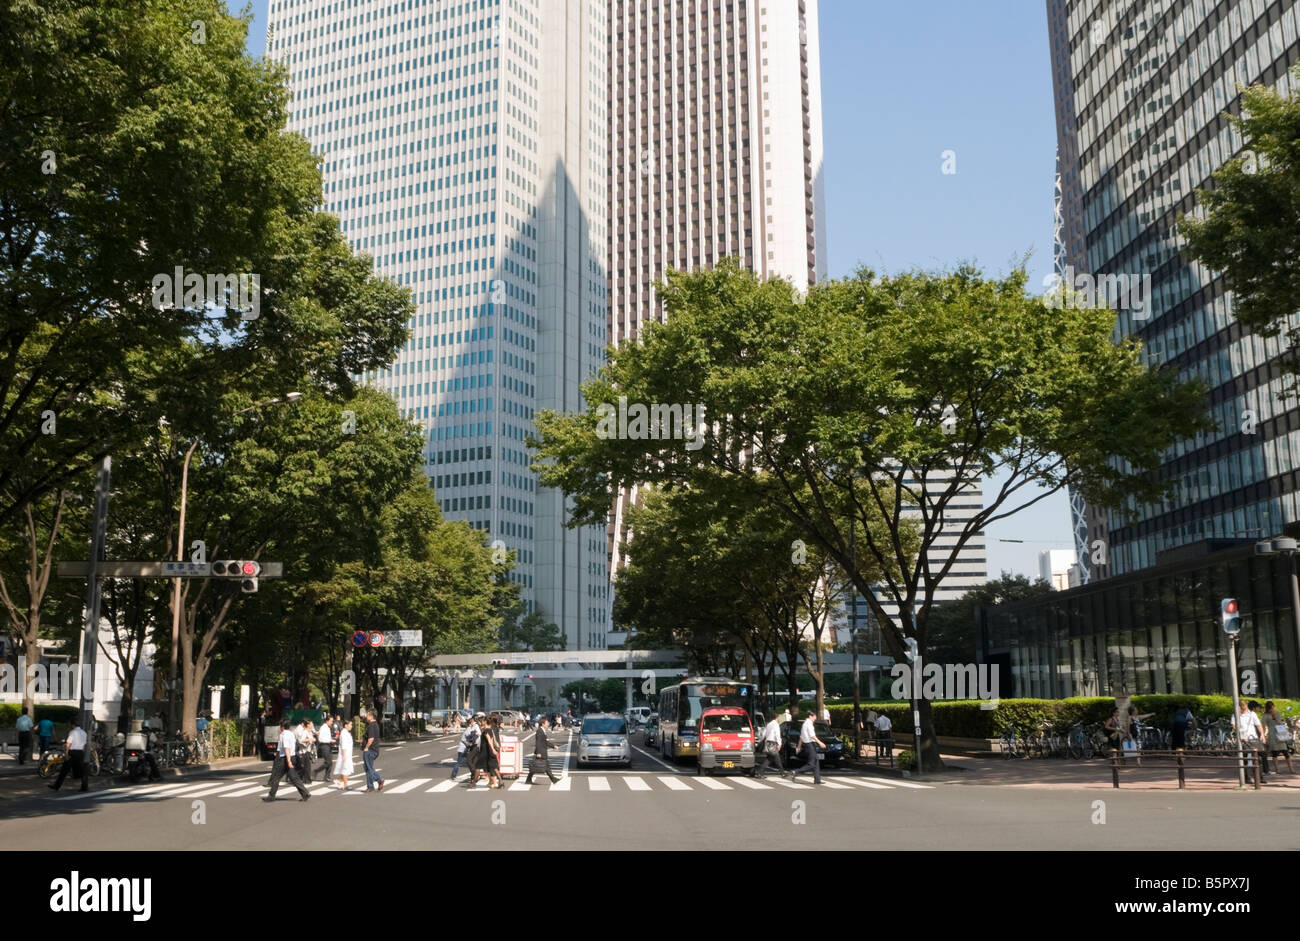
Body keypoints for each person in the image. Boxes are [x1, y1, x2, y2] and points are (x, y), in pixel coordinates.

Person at [265, 719, 311, 801]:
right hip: (292, 756)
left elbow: (287, 748)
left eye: (280, 726)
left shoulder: (284, 735)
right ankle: (305, 793)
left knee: (276, 777)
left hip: (285, 758)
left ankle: (271, 796)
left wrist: (288, 761)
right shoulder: (291, 734)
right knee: (294, 777)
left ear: (282, 727)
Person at [49, 716, 88, 793]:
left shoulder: (72, 732)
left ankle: (57, 786)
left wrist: (66, 753)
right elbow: (84, 745)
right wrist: (82, 752)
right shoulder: (84, 732)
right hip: (80, 752)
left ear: (73, 725)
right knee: (82, 770)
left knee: (64, 770)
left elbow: (68, 743)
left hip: (72, 752)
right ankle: (84, 786)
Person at [789, 711, 824, 785]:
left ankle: (817, 780)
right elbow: (812, 735)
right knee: (811, 763)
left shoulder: (804, 724)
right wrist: (820, 743)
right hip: (810, 744)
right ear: (810, 716)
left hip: (807, 744)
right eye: (814, 716)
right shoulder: (809, 724)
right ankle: (796, 771)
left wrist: (798, 747)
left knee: (816, 761)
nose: (815, 718)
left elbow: (801, 737)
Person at [526, 717, 561, 785]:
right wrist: (538, 752)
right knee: (543, 765)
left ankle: (528, 779)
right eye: (547, 723)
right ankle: (553, 779)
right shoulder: (540, 731)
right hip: (541, 752)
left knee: (538, 765)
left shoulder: (542, 730)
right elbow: (538, 742)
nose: (548, 724)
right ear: (543, 724)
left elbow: (545, 742)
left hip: (542, 751)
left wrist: (553, 746)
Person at [755, 712, 789, 779]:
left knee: (769, 759)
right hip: (773, 743)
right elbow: (777, 734)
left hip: (768, 742)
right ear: (777, 717)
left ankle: (759, 772)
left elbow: (764, 733)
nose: (780, 719)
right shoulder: (776, 725)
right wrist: (779, 743)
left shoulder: (769, 724)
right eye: (779, 717)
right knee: (777, 758)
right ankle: (782, 773)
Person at [1264, 701, 1294, 775]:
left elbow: (1280, 723)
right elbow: (1263, 725)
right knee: (1275, 753)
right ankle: (1277, 769)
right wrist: (1263, 735)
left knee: (1285, 752)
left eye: (1272, 707)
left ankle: (1291, 769)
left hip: (1280, 734)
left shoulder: (1277, 713)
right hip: (1272, 735)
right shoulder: (1265, 716)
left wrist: (1275, 717)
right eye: (1270, 708)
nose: (1271, 709)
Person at [1237, 700, 1266, 777]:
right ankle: (1247, 777)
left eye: (1245, 708)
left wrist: (1262, 735)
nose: (1244, 710)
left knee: (1257, 758)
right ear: (1239, 708)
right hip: (1243, 740)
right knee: (1246, 758)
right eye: (1242, 708)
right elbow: (1234, 726)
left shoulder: (1252, 714)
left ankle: (1259, 777)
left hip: (1253, 738)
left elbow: (1258, 725)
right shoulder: (1236, 715)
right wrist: (1241, 734)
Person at [451, 714, 480, 779]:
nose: (473, 724)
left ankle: (473, 774)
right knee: (461, 762)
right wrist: (472, 742)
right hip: (463, 749)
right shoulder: (468, 729)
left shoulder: (469, 729)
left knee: (469, 761)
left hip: (465, 748)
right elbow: (468, 739)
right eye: (472, 723)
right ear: (470, 723)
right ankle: (453, 775)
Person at [362, 709, 383, 792]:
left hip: (370, 750)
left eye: (367, 715)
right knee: (367, 768)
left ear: (371, 716)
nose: (366, 716)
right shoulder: (375, 725)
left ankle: (379, 780)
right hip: (374, 749)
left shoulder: (371, 725)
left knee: (369, 768)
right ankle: (370, 787)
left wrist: (366, 748)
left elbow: (371, 739)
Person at [465, 712, 488, 787]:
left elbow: (479, 733)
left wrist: (474, 735)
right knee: (474, 762)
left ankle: (474, 774)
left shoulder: (476, 726)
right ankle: (473, 778)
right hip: (477, 746)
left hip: (477, 746)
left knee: (469, 760)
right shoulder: (476, 726)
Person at [333, 716, 354, 790]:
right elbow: (344, 745)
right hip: (345, 754)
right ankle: (346, 785)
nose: (351, 726)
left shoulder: (346, 733)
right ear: (346, 725)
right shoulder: (344, 733)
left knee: (344, 769)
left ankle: (338, 780)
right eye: (350, 725)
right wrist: (344, 755)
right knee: (345, 769)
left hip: (347, 754)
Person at [484, 715, 503, 788]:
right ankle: (493, 779)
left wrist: (492, 748)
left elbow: (491, 739)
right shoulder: (495, 727)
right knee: (493, 764)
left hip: (493, 748)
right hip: (495, 747)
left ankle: (495, 780)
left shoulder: (492, 728)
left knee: (492, 764)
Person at [316, 715, 335, 782]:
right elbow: (320, 738)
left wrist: (331, 740)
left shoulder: (327, 727)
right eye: (331, 721)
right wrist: (329, 740)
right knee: (328, 762)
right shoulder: (323, 728)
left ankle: (327, 776)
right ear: (327, 721)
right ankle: (316, 771)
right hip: (324, 745)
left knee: (330, 762)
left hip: (328, 745)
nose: (332, 722)